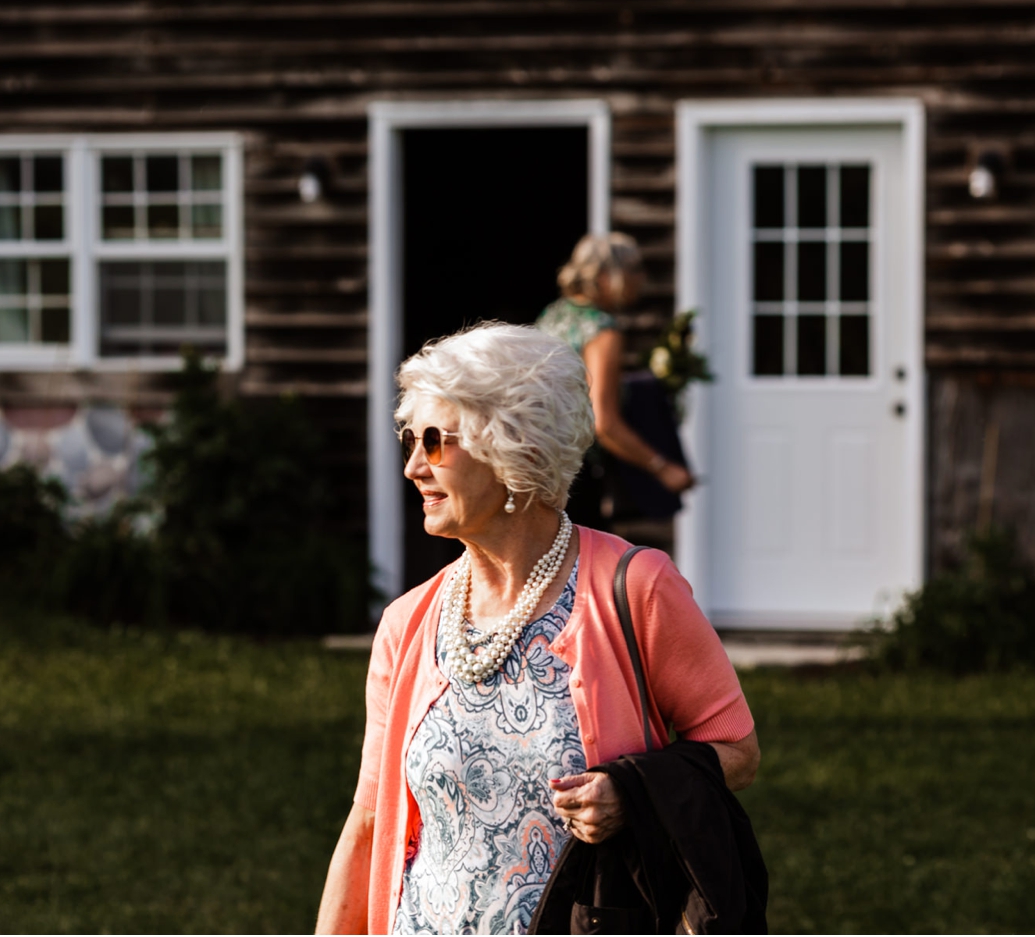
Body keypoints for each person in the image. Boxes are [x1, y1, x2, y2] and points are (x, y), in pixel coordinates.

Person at [315, 323, 758, 934]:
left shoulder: (634, 587)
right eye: (410, 441)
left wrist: (633, 794)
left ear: (511, 445)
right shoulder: (406, 622)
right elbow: (370, 817)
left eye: (436, 442)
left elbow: (736, 748)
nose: (415, 466)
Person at [536, 234, 695, 526]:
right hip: (578, 470)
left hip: (543, 460)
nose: (642, 278)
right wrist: (662, 467)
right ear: (608, 275)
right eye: (635, 269)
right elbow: (603, 422)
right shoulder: (602, 329)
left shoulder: (553, 315)